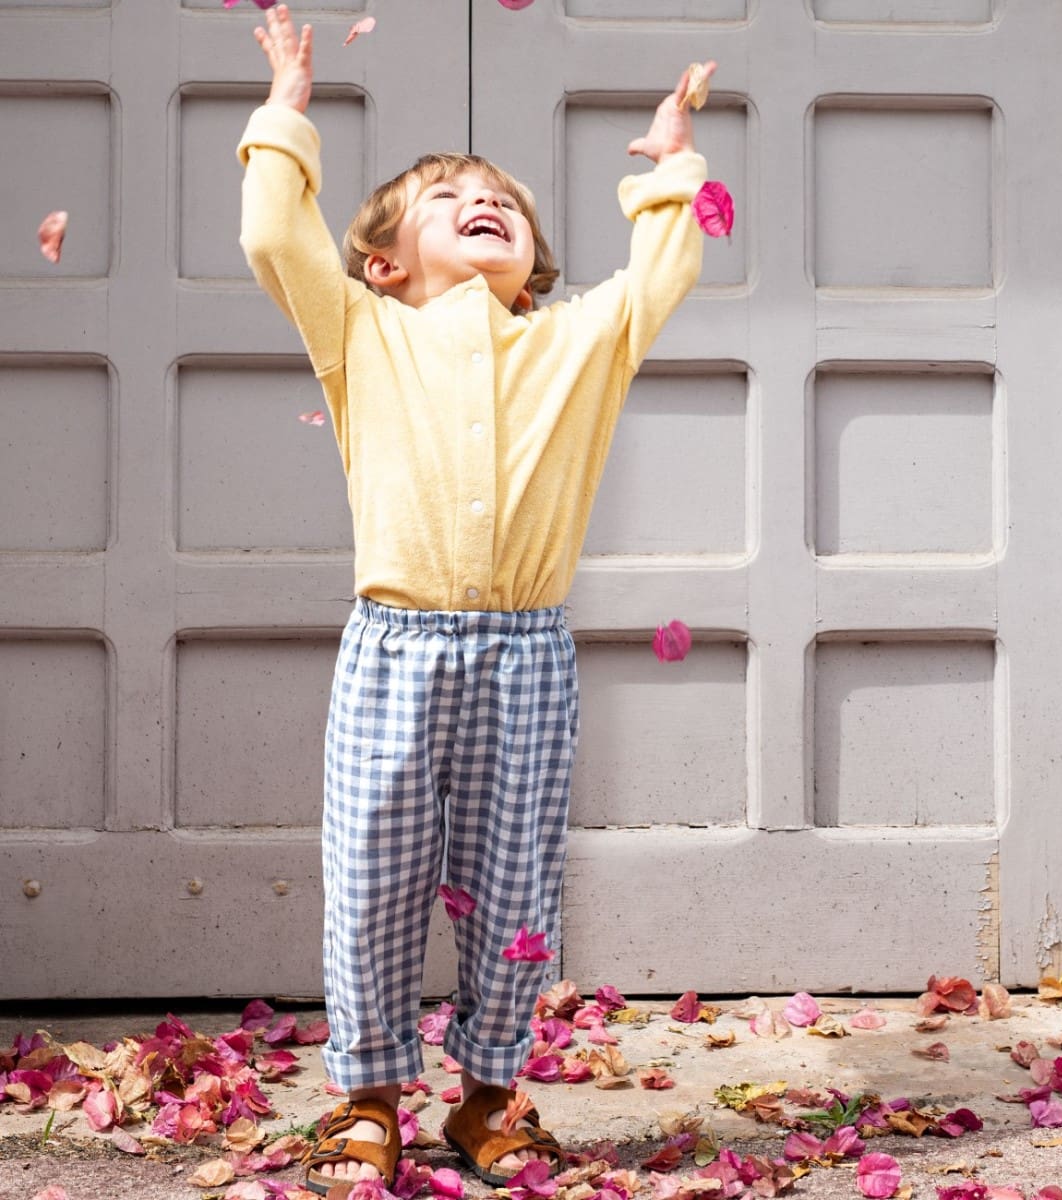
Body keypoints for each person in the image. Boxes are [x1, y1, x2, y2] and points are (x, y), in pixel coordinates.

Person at [239, 6, 714, 1194]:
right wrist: (286, 115)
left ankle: (491, 1096)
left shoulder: (577, 343)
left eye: (500, 196)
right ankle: (368, 1098)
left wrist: (670, 170)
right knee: (373, 877)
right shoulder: (360, 334)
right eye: (448, 198)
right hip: (395, 651)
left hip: (526, 656)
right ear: (387, 262)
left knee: (515, 884)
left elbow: (663, 271)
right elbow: (272, 239)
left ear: (532, 255)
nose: (482, 200)